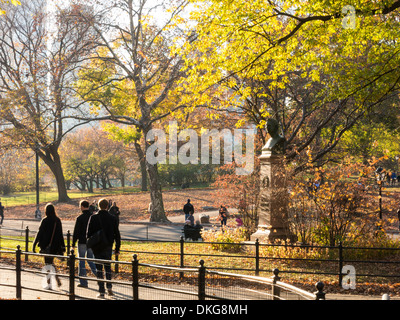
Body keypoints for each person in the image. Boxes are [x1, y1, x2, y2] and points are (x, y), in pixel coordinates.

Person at [87, 198, 121, 299]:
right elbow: (117, 234)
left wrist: (91, 243)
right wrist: (117, 248)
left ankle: (101, 291)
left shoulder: (93, 218)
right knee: (107, 267)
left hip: (97, 246)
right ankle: (109, 287)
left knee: (99, 269)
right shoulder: (113, 218)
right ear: (107, 206)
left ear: (98, 206)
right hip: (108, 245)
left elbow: (88, 233)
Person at [32, 203, 66, 289]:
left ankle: (49, 283)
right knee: (51, 263)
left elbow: (39, 233)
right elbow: (60, 234)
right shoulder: (57, 220)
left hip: (46, 246)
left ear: (46, 211)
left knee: (48, 264)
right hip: (55, 246)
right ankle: (57, 279)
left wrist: (34, 244)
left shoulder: (45, 220)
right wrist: (63, 247)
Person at [72, 200, 97, 288]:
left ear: (82, 206)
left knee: (81, 260)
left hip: (82, 241)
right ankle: (100, 277)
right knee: (91, 260)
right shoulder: (93, 216)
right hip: (91, 242)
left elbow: (76, 232)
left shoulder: (80, 218)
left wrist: (73, 243)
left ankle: (83, 282)